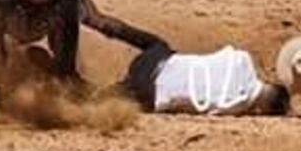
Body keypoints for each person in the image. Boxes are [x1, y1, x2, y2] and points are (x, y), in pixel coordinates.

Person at [121, 40, 291, 116]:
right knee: (112, 94)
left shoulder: (242, 58)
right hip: (148, 94)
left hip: (156, 60)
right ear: (262, 109)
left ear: (269, 83)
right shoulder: (234, 107)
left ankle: (101, 22)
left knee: (157, 44)